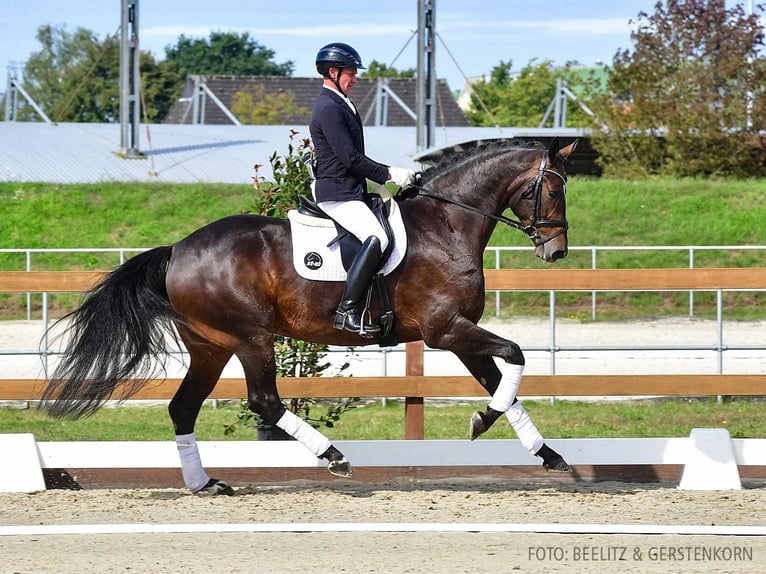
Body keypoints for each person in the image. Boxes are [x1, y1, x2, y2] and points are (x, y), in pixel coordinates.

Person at [309, 42, 415, 337]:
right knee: (377, 237)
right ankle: (348, 310)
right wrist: (390, 173)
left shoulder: (341, 103)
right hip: (338, 193)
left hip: (350, 190)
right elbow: (349, 158)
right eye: (351, 73)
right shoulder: (329, 107)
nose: (354, 78)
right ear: (333, 72)